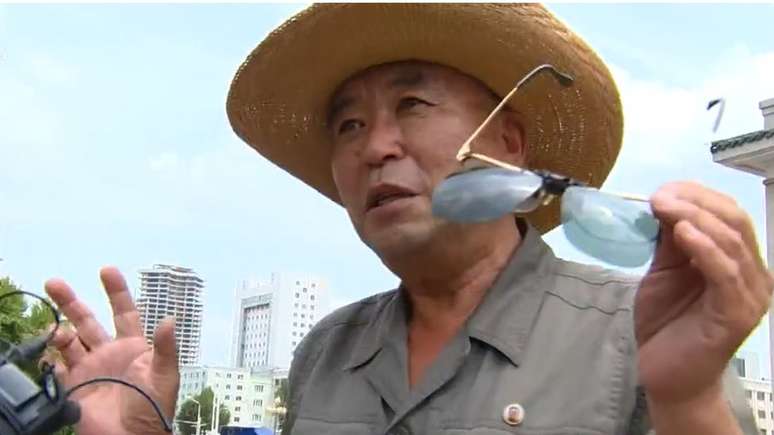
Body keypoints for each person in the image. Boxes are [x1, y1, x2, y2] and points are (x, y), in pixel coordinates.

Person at [42, 4, 771, 435]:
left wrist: (690, 400)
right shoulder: (326, 352)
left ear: (509, 142)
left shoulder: (635, 332)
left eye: (412, 107)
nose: (376, 146)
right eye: (349, 125)